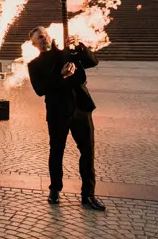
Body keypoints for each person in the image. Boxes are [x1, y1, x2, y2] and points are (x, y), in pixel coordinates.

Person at [27, 27, 106, 211]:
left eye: (45, 34)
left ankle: (89, 195)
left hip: (81, 109)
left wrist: (80, 46)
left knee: (88, 153)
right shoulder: (34, 65)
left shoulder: (67, 52)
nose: (44, 38)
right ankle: (55, 190)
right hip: (57, 112)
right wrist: (60, 76)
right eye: (40, 37)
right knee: (56, 152)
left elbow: (93, 61)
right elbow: (40, 89)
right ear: (34, 44)